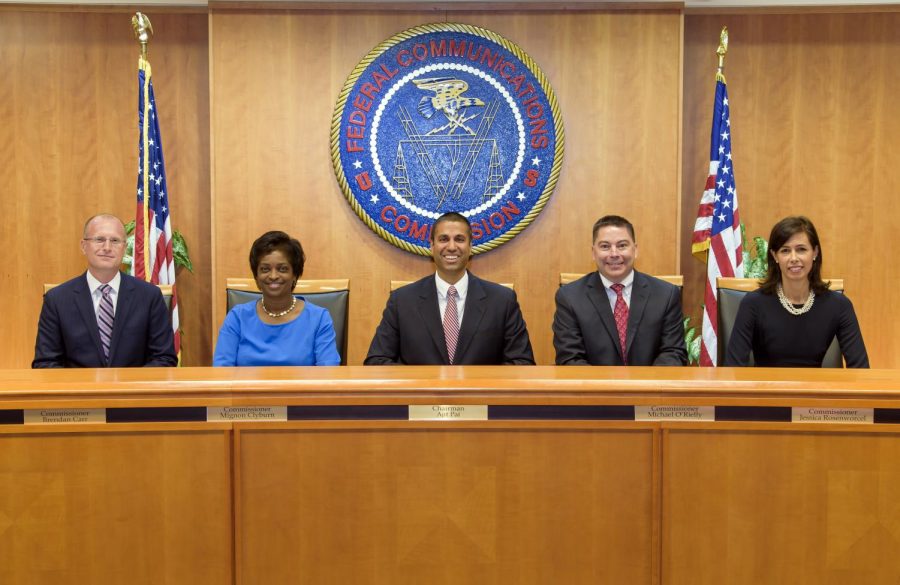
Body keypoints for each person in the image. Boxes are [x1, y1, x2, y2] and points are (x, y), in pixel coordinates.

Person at [365, 212, 535, 365]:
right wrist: (422, 384)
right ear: (431, 246)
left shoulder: (502, 301)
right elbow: (376, 362)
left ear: (470, 246)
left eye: (460, 239)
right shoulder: (402, 301)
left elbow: (522, 363)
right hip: (420, 399)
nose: (452, 247)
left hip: (481, 398)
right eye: (443, 239)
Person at [32, 214, 177, 368]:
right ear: (83, 246)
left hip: (133, 390)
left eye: (115, 241)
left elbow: (164, 359)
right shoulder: (57, 300)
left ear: (124, 247)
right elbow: (45, 363)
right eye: (99, 239)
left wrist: (128, 388)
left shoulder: (149, 297)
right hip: (79, 391)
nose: (107, 247)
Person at [724, 216, 868, 368]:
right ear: (775, 256)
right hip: (766, 390)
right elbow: (733, 369)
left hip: (816, 390)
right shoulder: (753, 304)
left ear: (815, 252)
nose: (793, 258)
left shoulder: (839, 306)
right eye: (785, 250)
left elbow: (861, 370)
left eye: (801, 249)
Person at [553, 215, 686, 366]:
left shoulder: (666, 295)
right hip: (593, 388)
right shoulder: (570, 298)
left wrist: (645, 387)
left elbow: (673, 353)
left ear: (635, 250)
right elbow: (570, 358)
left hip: (649, 387)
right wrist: (607, 388)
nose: (614, 254)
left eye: (622, 245)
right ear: (593, 252)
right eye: (605, 246)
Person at [214, 231, 340, 366]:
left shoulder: (319, 318)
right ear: (256, 277)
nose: (273, 276)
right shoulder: (238, 317)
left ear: (295, 275)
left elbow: (328, 373)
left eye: (282, 269)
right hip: (247, 387)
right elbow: (222, 371)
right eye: (265, 269)